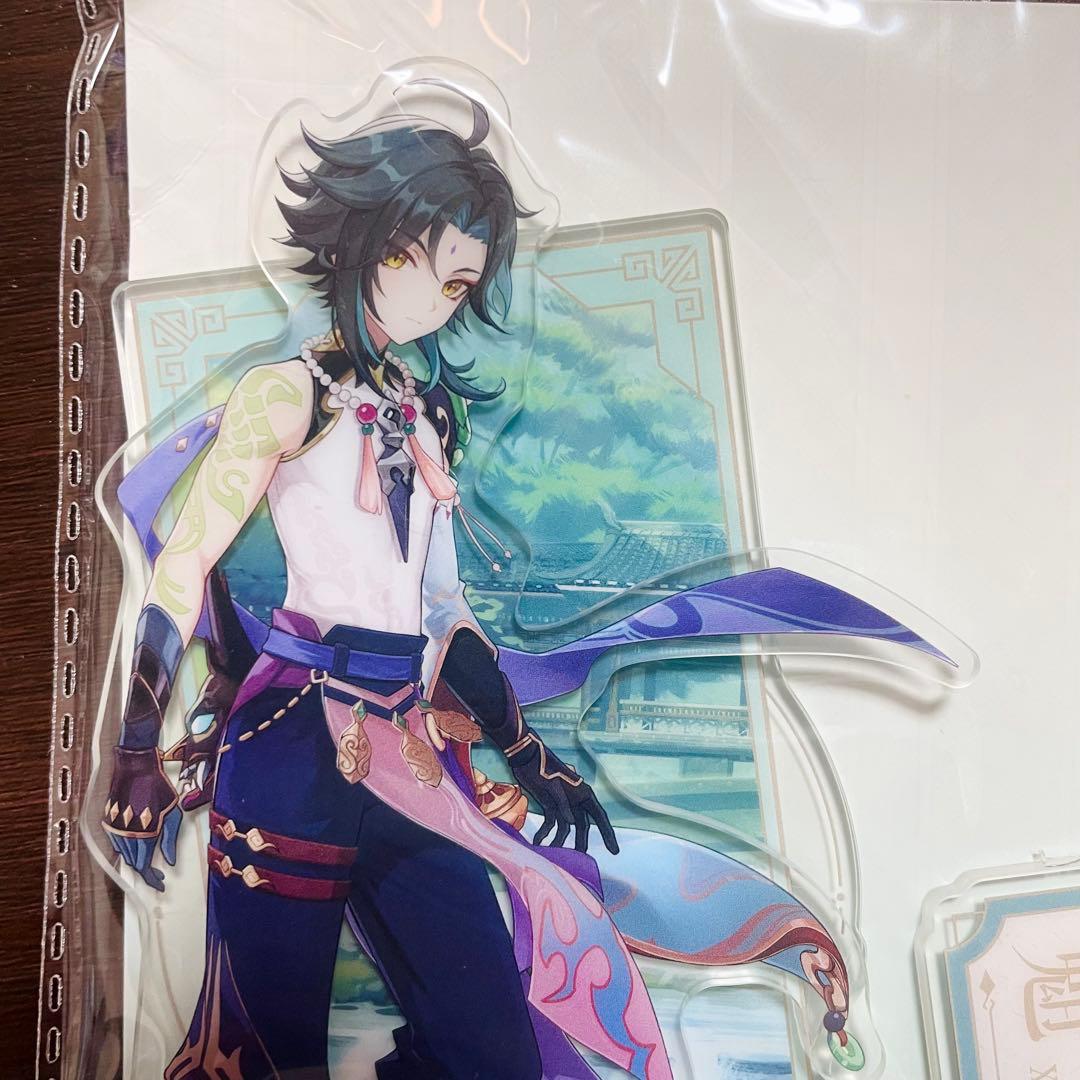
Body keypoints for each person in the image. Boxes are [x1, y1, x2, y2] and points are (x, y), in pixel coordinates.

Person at [103, 91, 917, 1080]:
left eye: (459, 284)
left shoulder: (426, 415)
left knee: (491, 1053)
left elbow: (444, 613)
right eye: (421, 264)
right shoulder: (284, 396)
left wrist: (526, 752)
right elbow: (184, 561)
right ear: (369, 243)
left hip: (406, 743)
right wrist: (137, 749)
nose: (436, 300)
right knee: (262, 1058)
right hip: (293, 740)